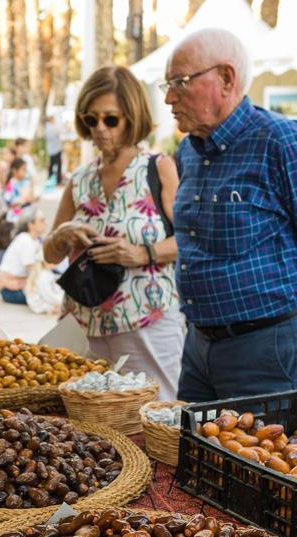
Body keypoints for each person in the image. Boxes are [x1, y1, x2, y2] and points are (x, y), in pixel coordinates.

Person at [163, 28, 297, 401]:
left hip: (269, 348)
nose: (168, 97)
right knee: (191, 457)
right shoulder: (190, 152)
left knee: (266, 458)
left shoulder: (281, 141)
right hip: (200, 344)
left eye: (180, 82)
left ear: (226, 78)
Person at [43, 65, 184, 400]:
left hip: (147, 321)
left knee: (156, 413)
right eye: (91, 120)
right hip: (86, 325)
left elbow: (188, 241)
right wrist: (63, 234)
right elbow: (49, 253)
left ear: (131, 116)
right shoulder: (80, 179)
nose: (100, 130)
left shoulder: (157, 167)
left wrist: (140, 253)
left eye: (110, 119)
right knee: (95, 426)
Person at [0, 210, 48, 305]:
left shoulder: (35, 240)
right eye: (41, 220)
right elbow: (33, 269)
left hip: (23, 284)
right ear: (31, 225)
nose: (45, 223)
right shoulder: (25, 240)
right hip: (10, 290)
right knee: (47, 296)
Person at [2, 158, 34, 223]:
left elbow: (30, 200)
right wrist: (19, 202)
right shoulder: (11, 185)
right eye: (23, 169)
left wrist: (31, 198)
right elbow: (7, 203)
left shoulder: (25, 183)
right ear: (14, 171)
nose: (25, 172)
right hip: (14, 218)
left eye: (26, 170)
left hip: (25, 217)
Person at [44, 114, 64, 187]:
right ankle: (58, 181)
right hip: (56, 149)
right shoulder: (52, 127)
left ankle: (50, 179)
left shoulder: (46, 127)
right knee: (58, 165)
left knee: (51, 165)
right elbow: (60, 131)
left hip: (51, 149)